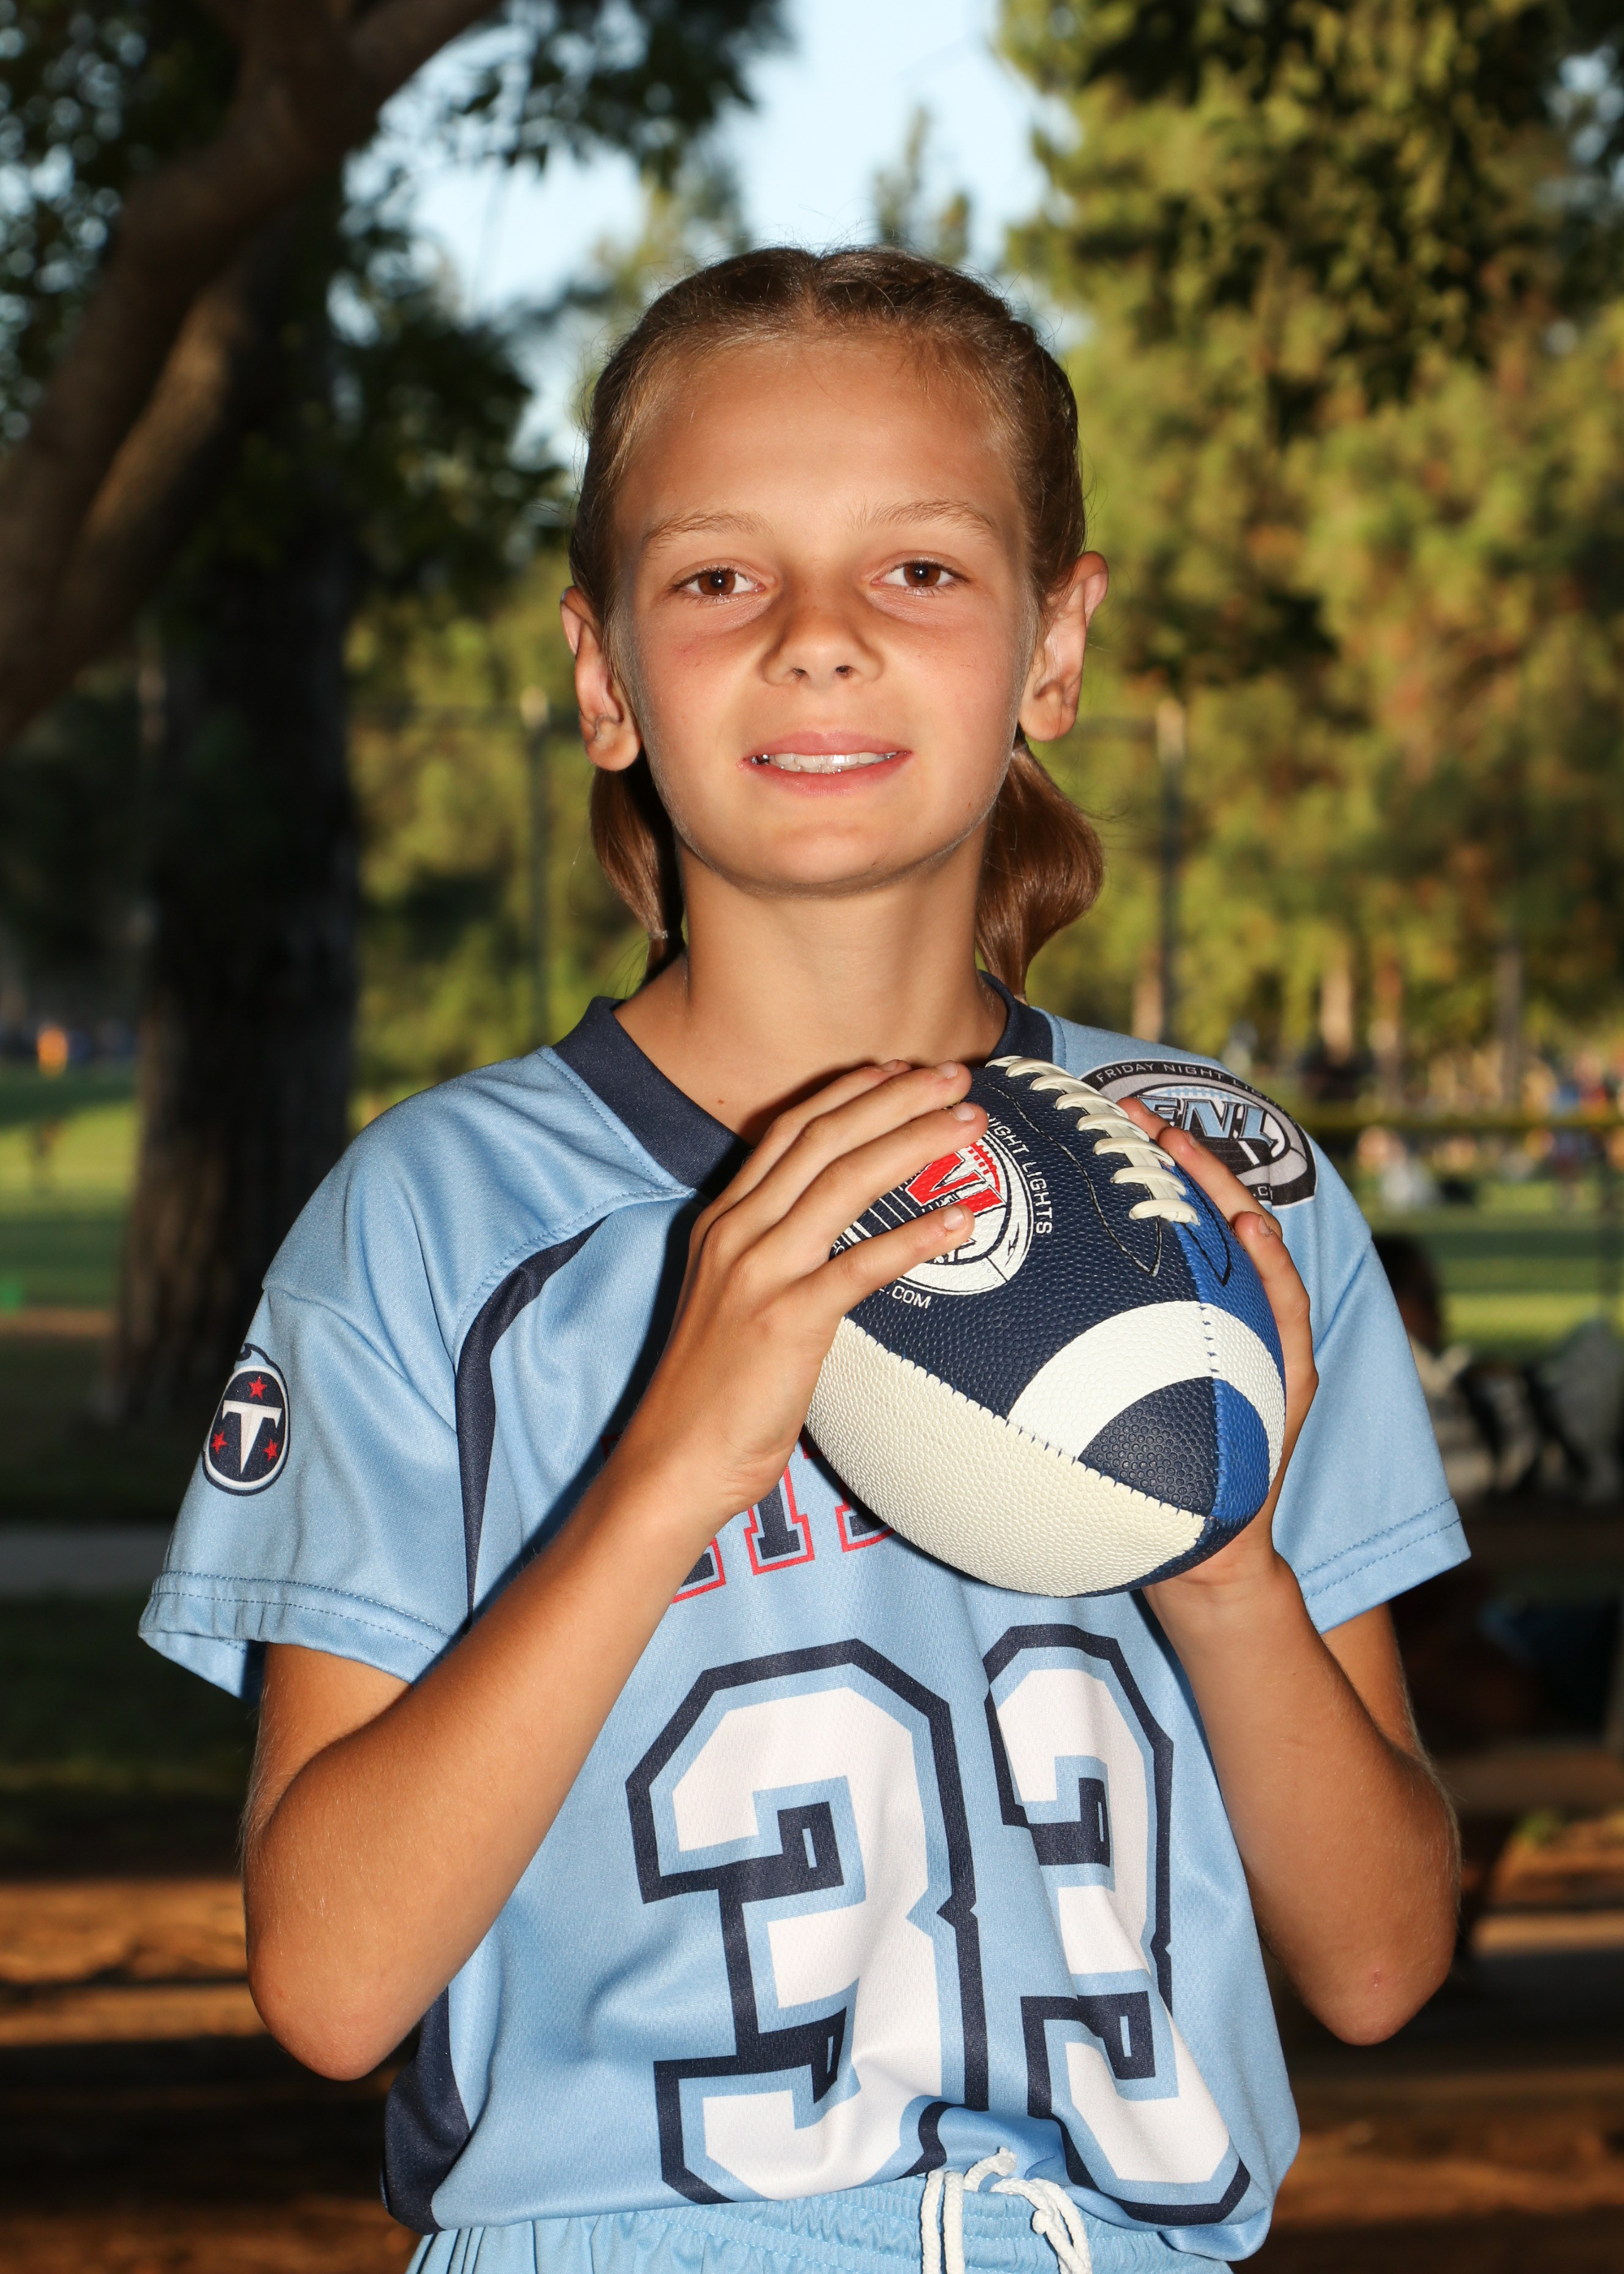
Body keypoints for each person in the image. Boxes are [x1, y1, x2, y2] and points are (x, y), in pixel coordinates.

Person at [140, 249, 1462, 2273]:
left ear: (1054, 643)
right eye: (718, 577)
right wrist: (672, 1455)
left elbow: (1375, 1959)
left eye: (918, 569)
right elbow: (327, 1981)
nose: (819, 637)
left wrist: (1223, 1567)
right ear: (602, 673)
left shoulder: (1224, 1193)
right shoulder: (437, 1217)